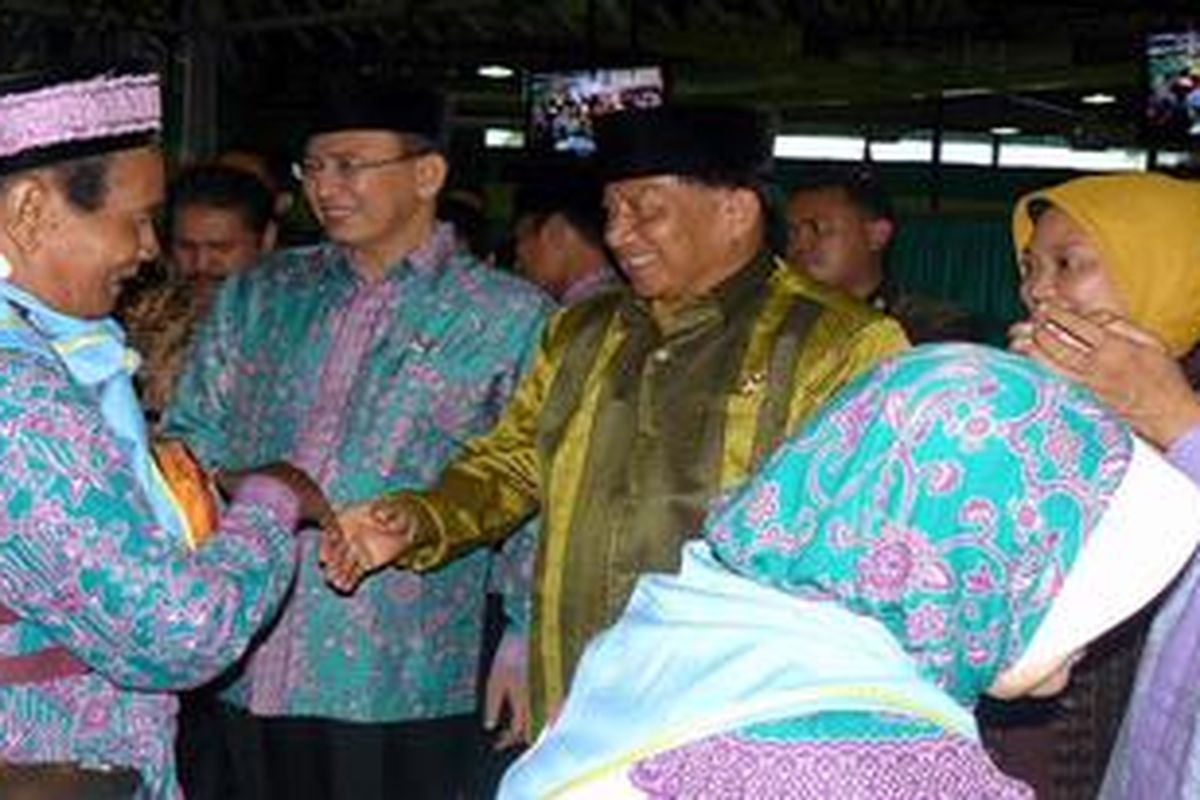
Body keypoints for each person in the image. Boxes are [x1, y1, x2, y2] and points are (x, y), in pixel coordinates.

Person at [322, 104, 910, 733]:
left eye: (646, 210)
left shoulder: (841, 344)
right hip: (579, 697)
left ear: (735, 212)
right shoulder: (582, 332)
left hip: (736, 709)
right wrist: (420, 517)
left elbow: (870, 544)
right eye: (610, 212)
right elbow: (516, 464)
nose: (619, 234)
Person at [496, 345, 1200, 798]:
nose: (1109, 619)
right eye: (1078, 568)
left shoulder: (695, 622)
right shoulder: (893, 772)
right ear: (969, 560)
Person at [162, 76, 552, 800]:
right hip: (248, 646)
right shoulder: (264, 293)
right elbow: (191, 438)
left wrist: (525, 634)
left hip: (401, 667)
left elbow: (537, 482)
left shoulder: (509, 315)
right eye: (314, 168)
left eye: (351, 165)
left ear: (427, 173)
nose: (327, 187)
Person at [0, 65, 334, 799]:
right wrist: (273, 506)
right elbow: (177, 632)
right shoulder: (16, 396)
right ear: (29, 210)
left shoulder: (46, 352)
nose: (151, 249)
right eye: (138, 219)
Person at [996, 172, 1200, 799]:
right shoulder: (1033, 400)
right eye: (1031, 265)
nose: (1037, 290)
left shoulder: (1177, 405)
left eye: (1068, 264)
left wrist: (1169, 417)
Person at [121, 163, 277, 418]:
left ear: (266, 240)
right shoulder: (143, 314)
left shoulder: (292, 323)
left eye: (221, 248)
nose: (202, 264)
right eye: (186, 247)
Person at [786, 167, 981, 343]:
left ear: (876, 236)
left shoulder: (933, 329)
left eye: (818, 228)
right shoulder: (782, 324)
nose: (799, 245)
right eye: (792, 232)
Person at [510, 158, 620, 303]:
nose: (517, 264)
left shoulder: (581, 315)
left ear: (556, 233)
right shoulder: (627, 298)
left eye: (520, 239)